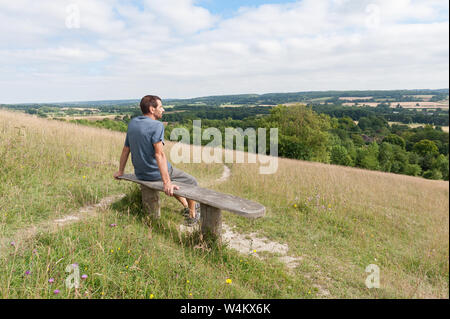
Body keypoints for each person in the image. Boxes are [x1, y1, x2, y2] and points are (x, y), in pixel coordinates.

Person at [114, 95, 199, 225]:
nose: (163, 110)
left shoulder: (133, 123)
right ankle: (193, 214)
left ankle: (185, 205)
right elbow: (159, 154)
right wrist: (166, 183)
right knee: (192, 182)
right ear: (152, 109)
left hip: (141, 173)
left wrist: (121, 171)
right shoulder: (157, 126)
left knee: (173, 180)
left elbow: (126, 149)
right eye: (160, 107)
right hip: (154, 174)